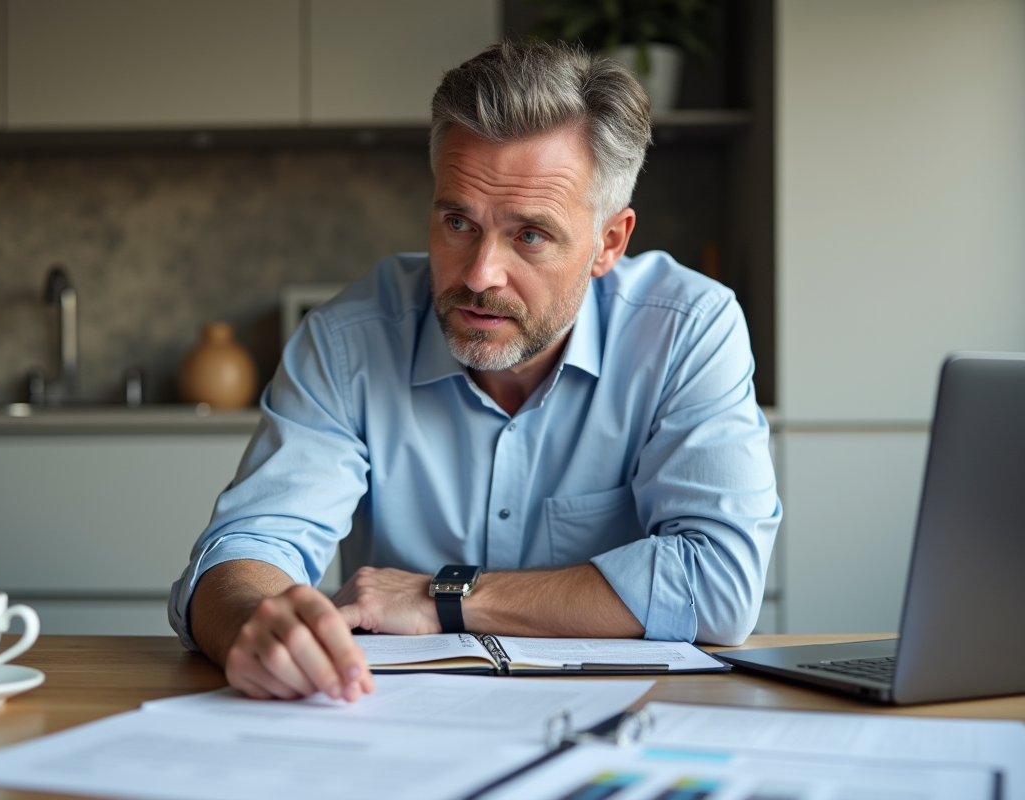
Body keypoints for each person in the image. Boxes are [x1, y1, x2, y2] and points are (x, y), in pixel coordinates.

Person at [168, 41, 781, 703]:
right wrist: (256, 625)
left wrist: (445, 599)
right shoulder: (347, 341)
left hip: (626, 721)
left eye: (530, 235)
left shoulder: (686, 330)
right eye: (458, 222)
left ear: (609, 243)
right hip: (395, 724)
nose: (480, 275)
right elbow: (246, 550)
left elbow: (721, 583)